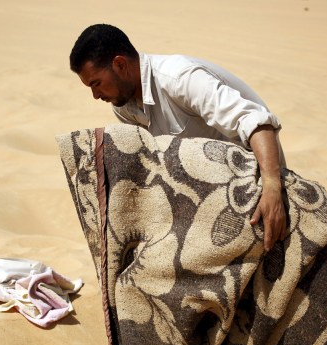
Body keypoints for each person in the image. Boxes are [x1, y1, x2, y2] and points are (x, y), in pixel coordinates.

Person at [69, 24, 289, 251]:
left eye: (96, 83)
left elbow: (256, 122)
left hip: (256, 179)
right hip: (203, 192)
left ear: (120, 64)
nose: (95, 95)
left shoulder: (179, 78)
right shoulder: (123, 106)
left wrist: (272, 188)